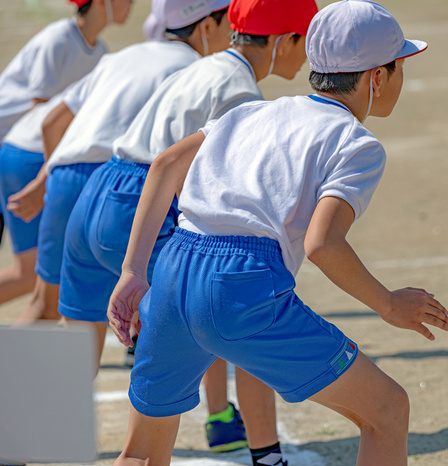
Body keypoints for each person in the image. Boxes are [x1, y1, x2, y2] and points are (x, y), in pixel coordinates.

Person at [107, 1, 448, 464]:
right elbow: (322, 243)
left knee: (143, 453)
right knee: (388, 409)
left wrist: (133, 271)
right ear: (376, 77)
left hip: (173, 268)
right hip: (240, 284)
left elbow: (165, 165)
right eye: (400, 65)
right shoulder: (356, 144)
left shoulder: (251, 112)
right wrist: (387, 303)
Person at [58, 0, 317, 457]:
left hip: (98, 191)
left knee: (76, 353)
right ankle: (257, 446)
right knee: (233, 311)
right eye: (306, 39)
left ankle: (12, 440)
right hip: (142, 200)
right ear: (283, 42)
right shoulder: (241, 94)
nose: (310, 55)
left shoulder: (205, 66)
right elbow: (180, 174)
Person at [9, 0, 231, 327]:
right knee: (179, 317)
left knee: (47, 307)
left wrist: (45, 183)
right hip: (124, 186)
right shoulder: (199, 69)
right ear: (206, 25)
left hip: (67, 178)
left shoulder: (124, 55)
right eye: (229, 21)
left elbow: (52, 123)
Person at [0, 0, 127, 308]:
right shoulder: (59, 39)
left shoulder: (100, 52)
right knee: (31, 274)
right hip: (22, 152)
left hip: (27, 154)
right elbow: (40, 116)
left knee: (36, 275)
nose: (133, 5)